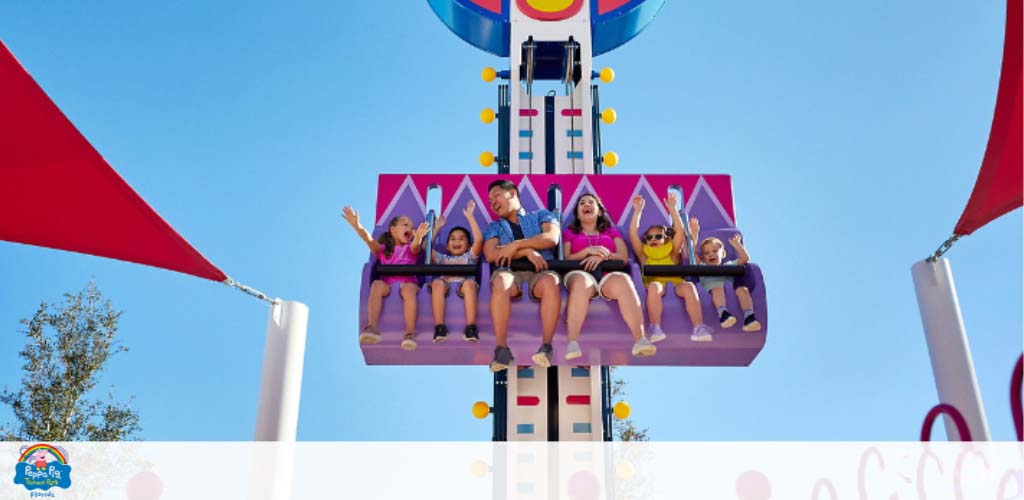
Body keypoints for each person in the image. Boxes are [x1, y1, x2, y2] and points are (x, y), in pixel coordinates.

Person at [563, 194, 656, 359]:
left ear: (599, 211)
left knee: (623, 280)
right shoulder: (570, 233)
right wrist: (587, 252)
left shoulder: (611, 231)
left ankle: (640, 339)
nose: (586, 205)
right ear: (578, 213)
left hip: (607, 274)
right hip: (580, 273)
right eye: (582, 203)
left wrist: (603, 256)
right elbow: (566, 258)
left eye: (591, 202)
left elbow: (622, 255)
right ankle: (572, 342)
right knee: (581, 283)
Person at [483, 179, 561, 371]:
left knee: (551, 281)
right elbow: (492, 254)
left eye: (496, 196)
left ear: (512, 193)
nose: (492, 202)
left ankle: (546, 347)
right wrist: (527, 252)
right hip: (510, 272)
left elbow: (551, 238)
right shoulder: (494, 227)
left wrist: (516, 245)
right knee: (501, 280)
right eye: (490, 200)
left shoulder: (542, 215)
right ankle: (501, 349)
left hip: (540, 272)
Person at [628, 193, 713, 342]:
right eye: (649, 238)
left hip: (675, 283)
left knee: (688, 287)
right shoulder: (644, 256)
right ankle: (655, 327)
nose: (653, 239)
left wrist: (673, 210)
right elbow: (633, 234)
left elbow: (679, 232)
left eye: (658, 237)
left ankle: (699, 327)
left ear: (666, 238)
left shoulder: (672, 253)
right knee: (654, 286)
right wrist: (637, 212)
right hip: (656, 285)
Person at [342, 206, 429, 351]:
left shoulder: (410, 249)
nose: (410, 227)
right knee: (376, 284)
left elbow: (415, 246)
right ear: (393, 230)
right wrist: (357, 226)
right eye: (405, 224)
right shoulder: (383, 251)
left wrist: (419, 236)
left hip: (408, 282)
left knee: (409, 291)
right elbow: (368, 239)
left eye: (412, 227)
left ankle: (410, 332)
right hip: (388, 283)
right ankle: (373, 327)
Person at [429, 200, 484, 343]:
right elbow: (426, 248)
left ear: (468, 246)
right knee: (437, 283)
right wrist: (437, 228)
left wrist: (470, 217)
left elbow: (478, 240)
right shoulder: (443, 259)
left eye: (461, 239)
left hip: (464, 286)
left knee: (469, 284)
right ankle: (439, 326)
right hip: (445, 286)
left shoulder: (469, 257)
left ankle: (471, 327)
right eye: (452, 239)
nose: (456, 241)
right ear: (447, 246)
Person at [695, 233, 762, 332]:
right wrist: (693, 234)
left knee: (742, 289)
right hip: (714, 290)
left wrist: (737, 244)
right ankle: (723, 313)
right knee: (717, 288)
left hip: (730, 291)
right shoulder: (703, 266)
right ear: (703, 258)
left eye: (715, 251)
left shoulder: (728, 266)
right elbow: (693, 256)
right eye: (707, 253)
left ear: (723, 254)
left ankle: (749, 316)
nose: (711, 254)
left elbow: (744, 259)